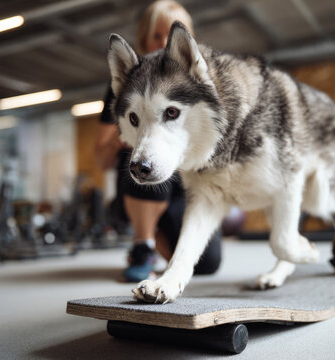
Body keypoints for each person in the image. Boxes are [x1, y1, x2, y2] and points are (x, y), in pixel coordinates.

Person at [95, 0, 221, 282]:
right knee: (146, 155)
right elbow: (101, 159)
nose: (164, 42)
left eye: (172, 35)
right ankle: (142, 244)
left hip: (181, 184)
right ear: (143, 37)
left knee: (208, 263)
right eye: (156, 35)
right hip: (137, 185)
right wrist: (132, 133)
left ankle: (157, 236)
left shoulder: (197, 82)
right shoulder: (126, 86)